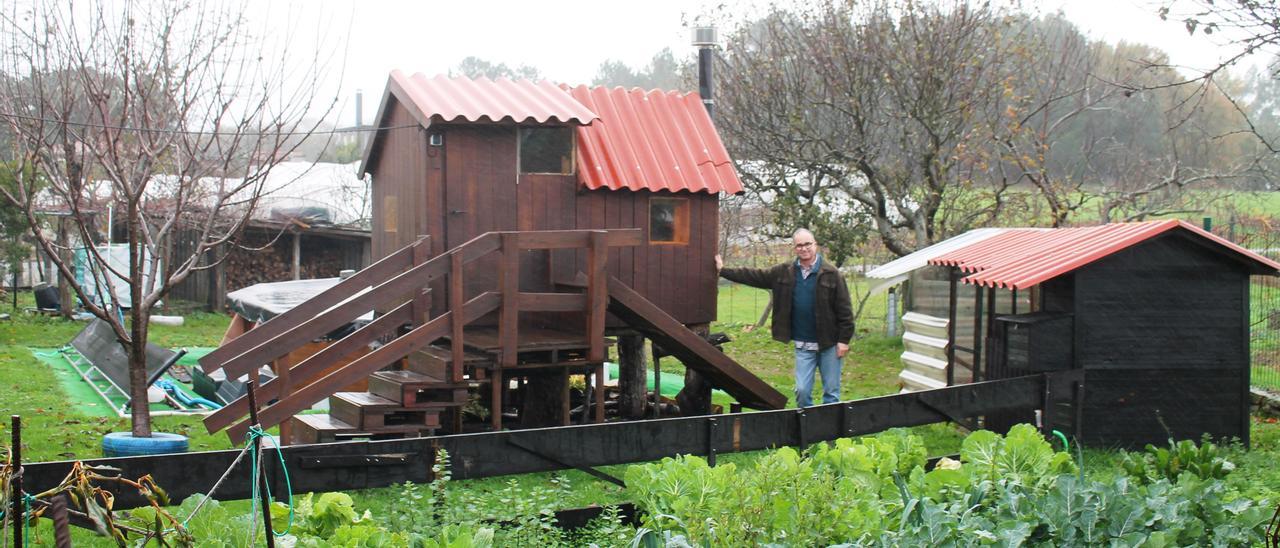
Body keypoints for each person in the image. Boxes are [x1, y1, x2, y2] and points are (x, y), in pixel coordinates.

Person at [715, 229, 854, 407]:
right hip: (803, 345)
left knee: (831, 394)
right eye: (799, 245)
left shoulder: (832, 274)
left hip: (830, 344)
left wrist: (844, 341)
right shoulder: (784, 272)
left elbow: (845, 310)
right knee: (802, 392)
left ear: (815, 245)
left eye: (807, 244)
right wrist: (723, 270)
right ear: (794, 248)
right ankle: (807, 432)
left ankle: (832, 434)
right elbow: (754, 275)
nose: (804, 249)